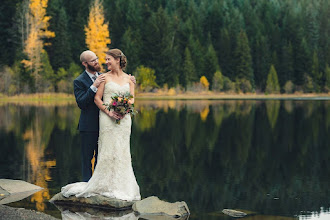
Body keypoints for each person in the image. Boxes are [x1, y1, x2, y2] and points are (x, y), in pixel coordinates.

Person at [62, 49, 141, 201]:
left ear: (118, 60)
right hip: (93, 123)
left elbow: (131, 98)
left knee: (114, 153)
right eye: (94, 60)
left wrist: (124, 108)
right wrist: (109, 110)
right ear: (85, 64)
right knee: (88, 157)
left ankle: (116, 184)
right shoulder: (81, 81)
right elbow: (84, 102)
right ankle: (89, 184)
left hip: (118, 121)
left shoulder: (109, 76)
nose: (99, 62)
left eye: (100, 59)